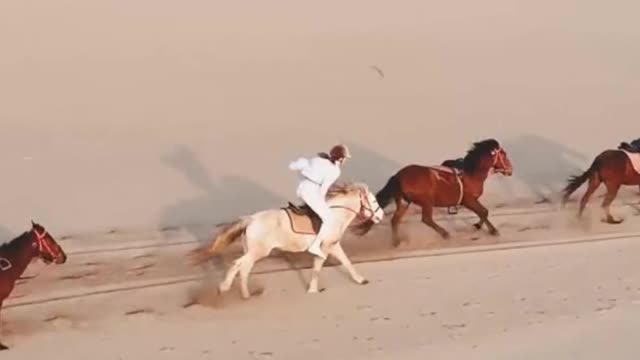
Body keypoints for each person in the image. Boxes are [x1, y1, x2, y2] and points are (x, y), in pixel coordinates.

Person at [289, 144, 351, 259]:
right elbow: (324, 188)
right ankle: (315, 245)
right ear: (340, 158)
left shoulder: (318, 159)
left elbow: (300, 164)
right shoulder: (335, 171)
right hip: (311, 192)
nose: (346, 160)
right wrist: (321, 201)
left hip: (302, 187)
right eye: (345, 158)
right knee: (329, 218)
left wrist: (295, 165)